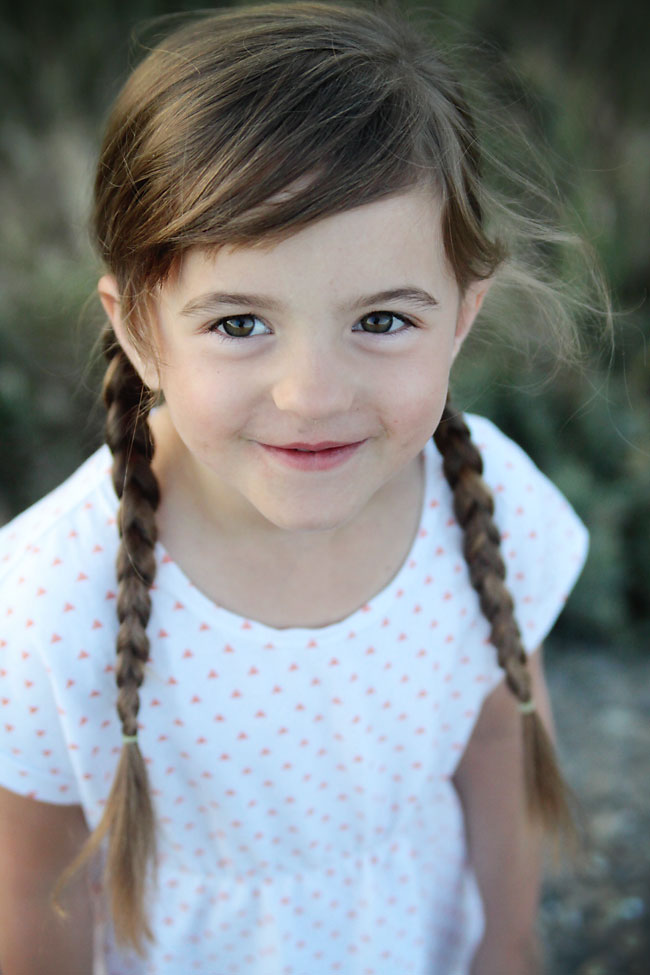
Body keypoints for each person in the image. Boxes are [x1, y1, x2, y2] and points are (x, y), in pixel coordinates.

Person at [0, 2, 603, 973]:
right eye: (239, 323)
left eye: (380, 320)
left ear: (459, 315)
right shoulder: (49, 597)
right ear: (141, 327)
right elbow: (33, 891)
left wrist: (509, 937)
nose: (311, 395)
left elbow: (499, 744)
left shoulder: (482, 496)